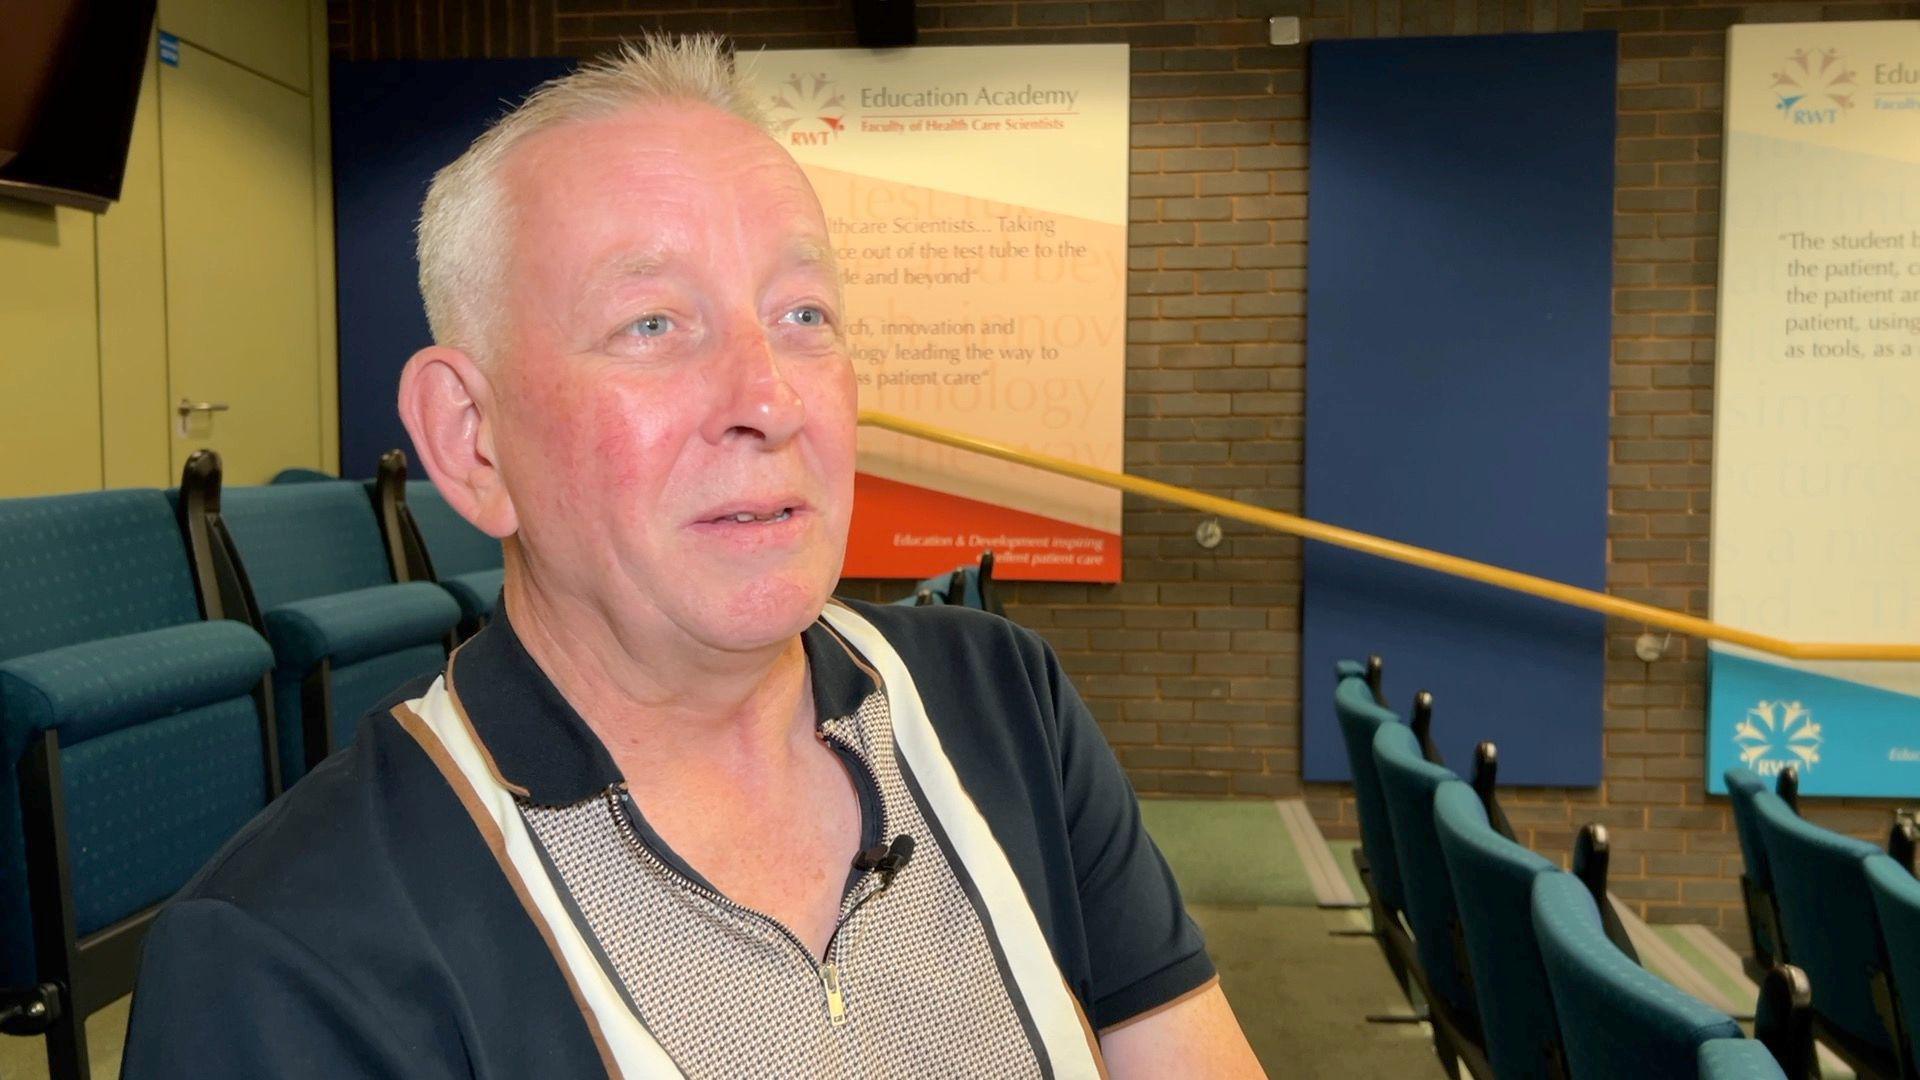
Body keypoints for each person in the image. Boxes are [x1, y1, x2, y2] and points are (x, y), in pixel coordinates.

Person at [121, 34, 1265, 1078]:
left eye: (804, 313)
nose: (767, 396)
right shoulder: (288, 954)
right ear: (473, 441)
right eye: (653, 325)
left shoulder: (1003, 707)